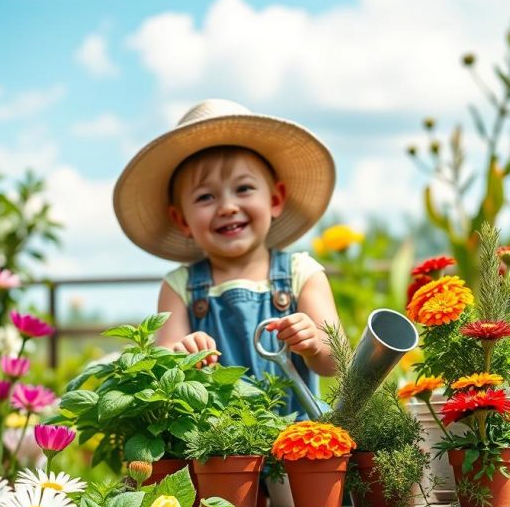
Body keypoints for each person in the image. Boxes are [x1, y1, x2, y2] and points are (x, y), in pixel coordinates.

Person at [113, 99, 342, 417]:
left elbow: (335, 363)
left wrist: (314, 343)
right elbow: (163, 365)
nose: (227, 207)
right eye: (205, 197)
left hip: (298, 441)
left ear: (275, 200)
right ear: (182, 220)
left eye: (244, 188)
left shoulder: (301, 273)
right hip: (218, 447)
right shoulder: (180, 286)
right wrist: (182, 354)